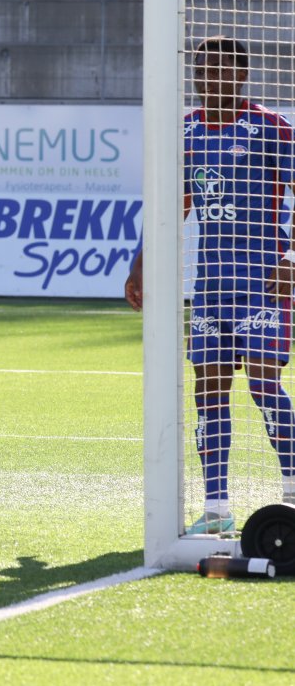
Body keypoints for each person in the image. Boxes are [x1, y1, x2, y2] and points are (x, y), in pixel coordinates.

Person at [125, 35, 295, 534]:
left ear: (242, 76)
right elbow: (169, 209)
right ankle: (217, 507)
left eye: (222, 70)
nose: (210, 78)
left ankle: (292, 493)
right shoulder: (185, 132)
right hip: (212, 284)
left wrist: (291, 257)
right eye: (203, 69)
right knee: (210, 391)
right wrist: (140, 263)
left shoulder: (270, 129)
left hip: (265, 281)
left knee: (265, 385)